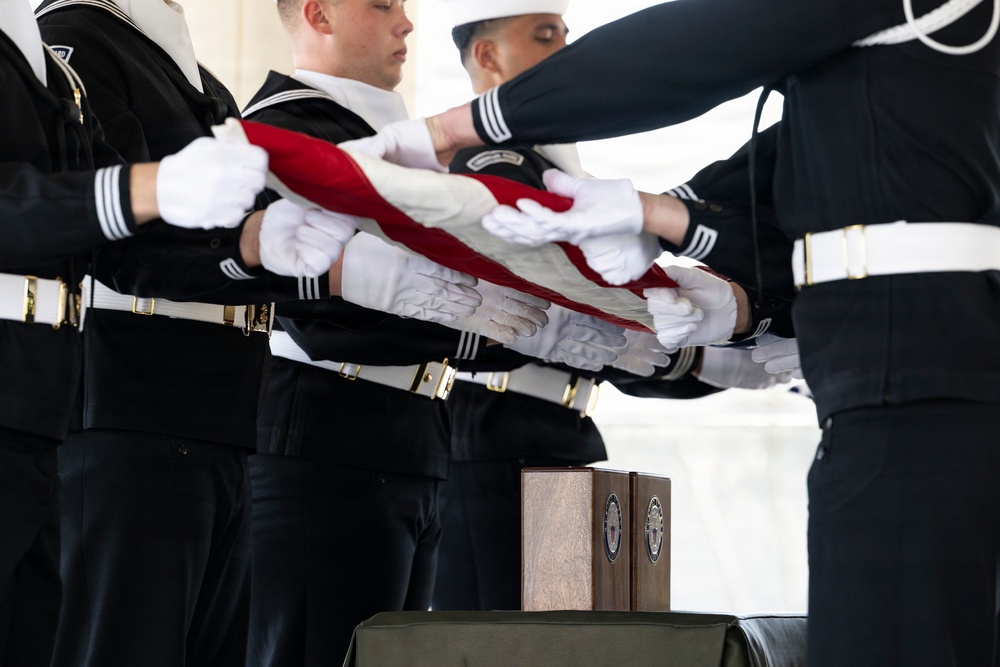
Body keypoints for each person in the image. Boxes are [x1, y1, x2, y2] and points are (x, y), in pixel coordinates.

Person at [361, 1, 1000, 664]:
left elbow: (697, 48)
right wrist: (682, 227)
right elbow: (819, 163)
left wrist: (453, 126)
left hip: (915, 380)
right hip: (916, 370)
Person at [240, 1, 628, 662]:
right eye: (382, 4)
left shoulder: (397, 141)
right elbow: (311, 300)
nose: (406, 23)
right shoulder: (283, 125)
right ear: (319, 14)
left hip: (413, 432)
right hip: (329, 434)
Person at [433, 0, 797, 612]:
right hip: (497, 443)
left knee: (561, 640)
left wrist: (710, 345)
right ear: (488, 56)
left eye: (567, 36)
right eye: (546, 36)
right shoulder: (491, 167)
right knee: (503, 645)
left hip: (553, 436)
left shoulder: (553, 166)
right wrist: (705, 349)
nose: (566, 52)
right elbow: (568, 305)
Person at [0, 3, 267, 664]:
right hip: (105, 405)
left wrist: (259, 253)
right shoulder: (73, 35)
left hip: (44, 405)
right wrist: (141, 191)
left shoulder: (41, 50)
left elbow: (122, 247)